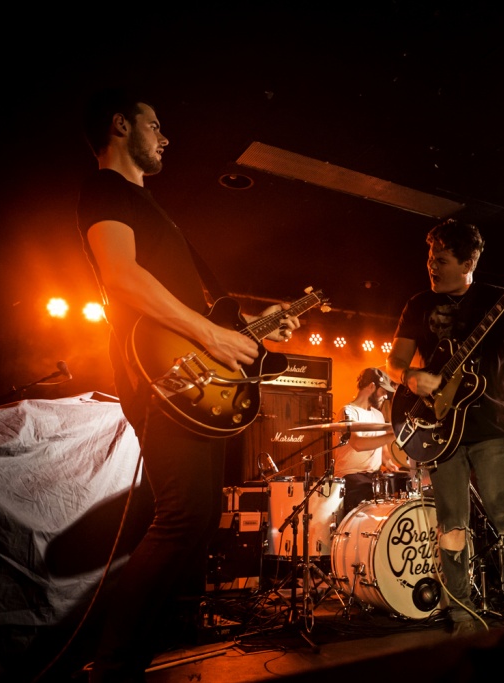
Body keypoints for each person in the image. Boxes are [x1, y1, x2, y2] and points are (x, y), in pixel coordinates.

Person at [76, 88, 300, 682]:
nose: (166, 137)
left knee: (196, 519)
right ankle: (112, 668)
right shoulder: (105, 189)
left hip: (189, 377)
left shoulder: (148, 207)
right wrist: (213, 336)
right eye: (155, 125)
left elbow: (202, 315)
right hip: (162, 377)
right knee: (181, 518)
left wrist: (249, 330)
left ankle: (130, 663)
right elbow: (121, 277)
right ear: (120, 125)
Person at [386, 219, 504, 636]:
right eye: (430, 258)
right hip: (438, 428)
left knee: (503, 508)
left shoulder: (497, 300)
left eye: (441, 260)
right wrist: (410, 377)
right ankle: (462, 614)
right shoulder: (418, 304)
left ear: (469, 262)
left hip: (490, 423)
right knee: (452, 523)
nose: (431, 266)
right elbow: (396, 361)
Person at [334, 367, 402, 518]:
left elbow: (383, 451)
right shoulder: (348, 411)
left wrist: (388, 462)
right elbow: (358, 444)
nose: (385, 397)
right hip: (351, 477)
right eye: (383, 392)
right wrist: (394, 435)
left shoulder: (378, 415)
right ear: (371, 386)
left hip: (373, 477)